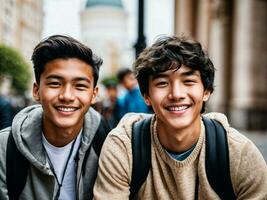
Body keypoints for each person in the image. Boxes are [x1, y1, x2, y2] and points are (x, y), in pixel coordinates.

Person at [93, 36, 267, 199]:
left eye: (188, 81)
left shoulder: (239, 153)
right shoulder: (124, 147)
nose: (176, 94)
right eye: (162, 83)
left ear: (206, 91)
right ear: (146, 96)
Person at [0, 35, 110, 200]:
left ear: (94, 95)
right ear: (36, 91)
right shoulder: (4, 148)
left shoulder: (108, 144)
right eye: (55, 84)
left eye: (80, 86)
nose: (67, 96)